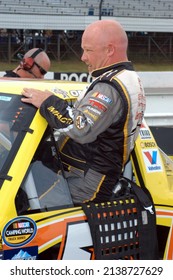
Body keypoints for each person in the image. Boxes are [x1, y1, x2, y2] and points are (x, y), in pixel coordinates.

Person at [21, 19, 146, 204]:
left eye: (88, 50)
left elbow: (81, 127)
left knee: (30, 206)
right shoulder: (127, 78)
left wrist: (48, 102)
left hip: (87, 181)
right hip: (88, 174)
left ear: (109, 50)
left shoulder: (110, 87)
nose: (83, 57)